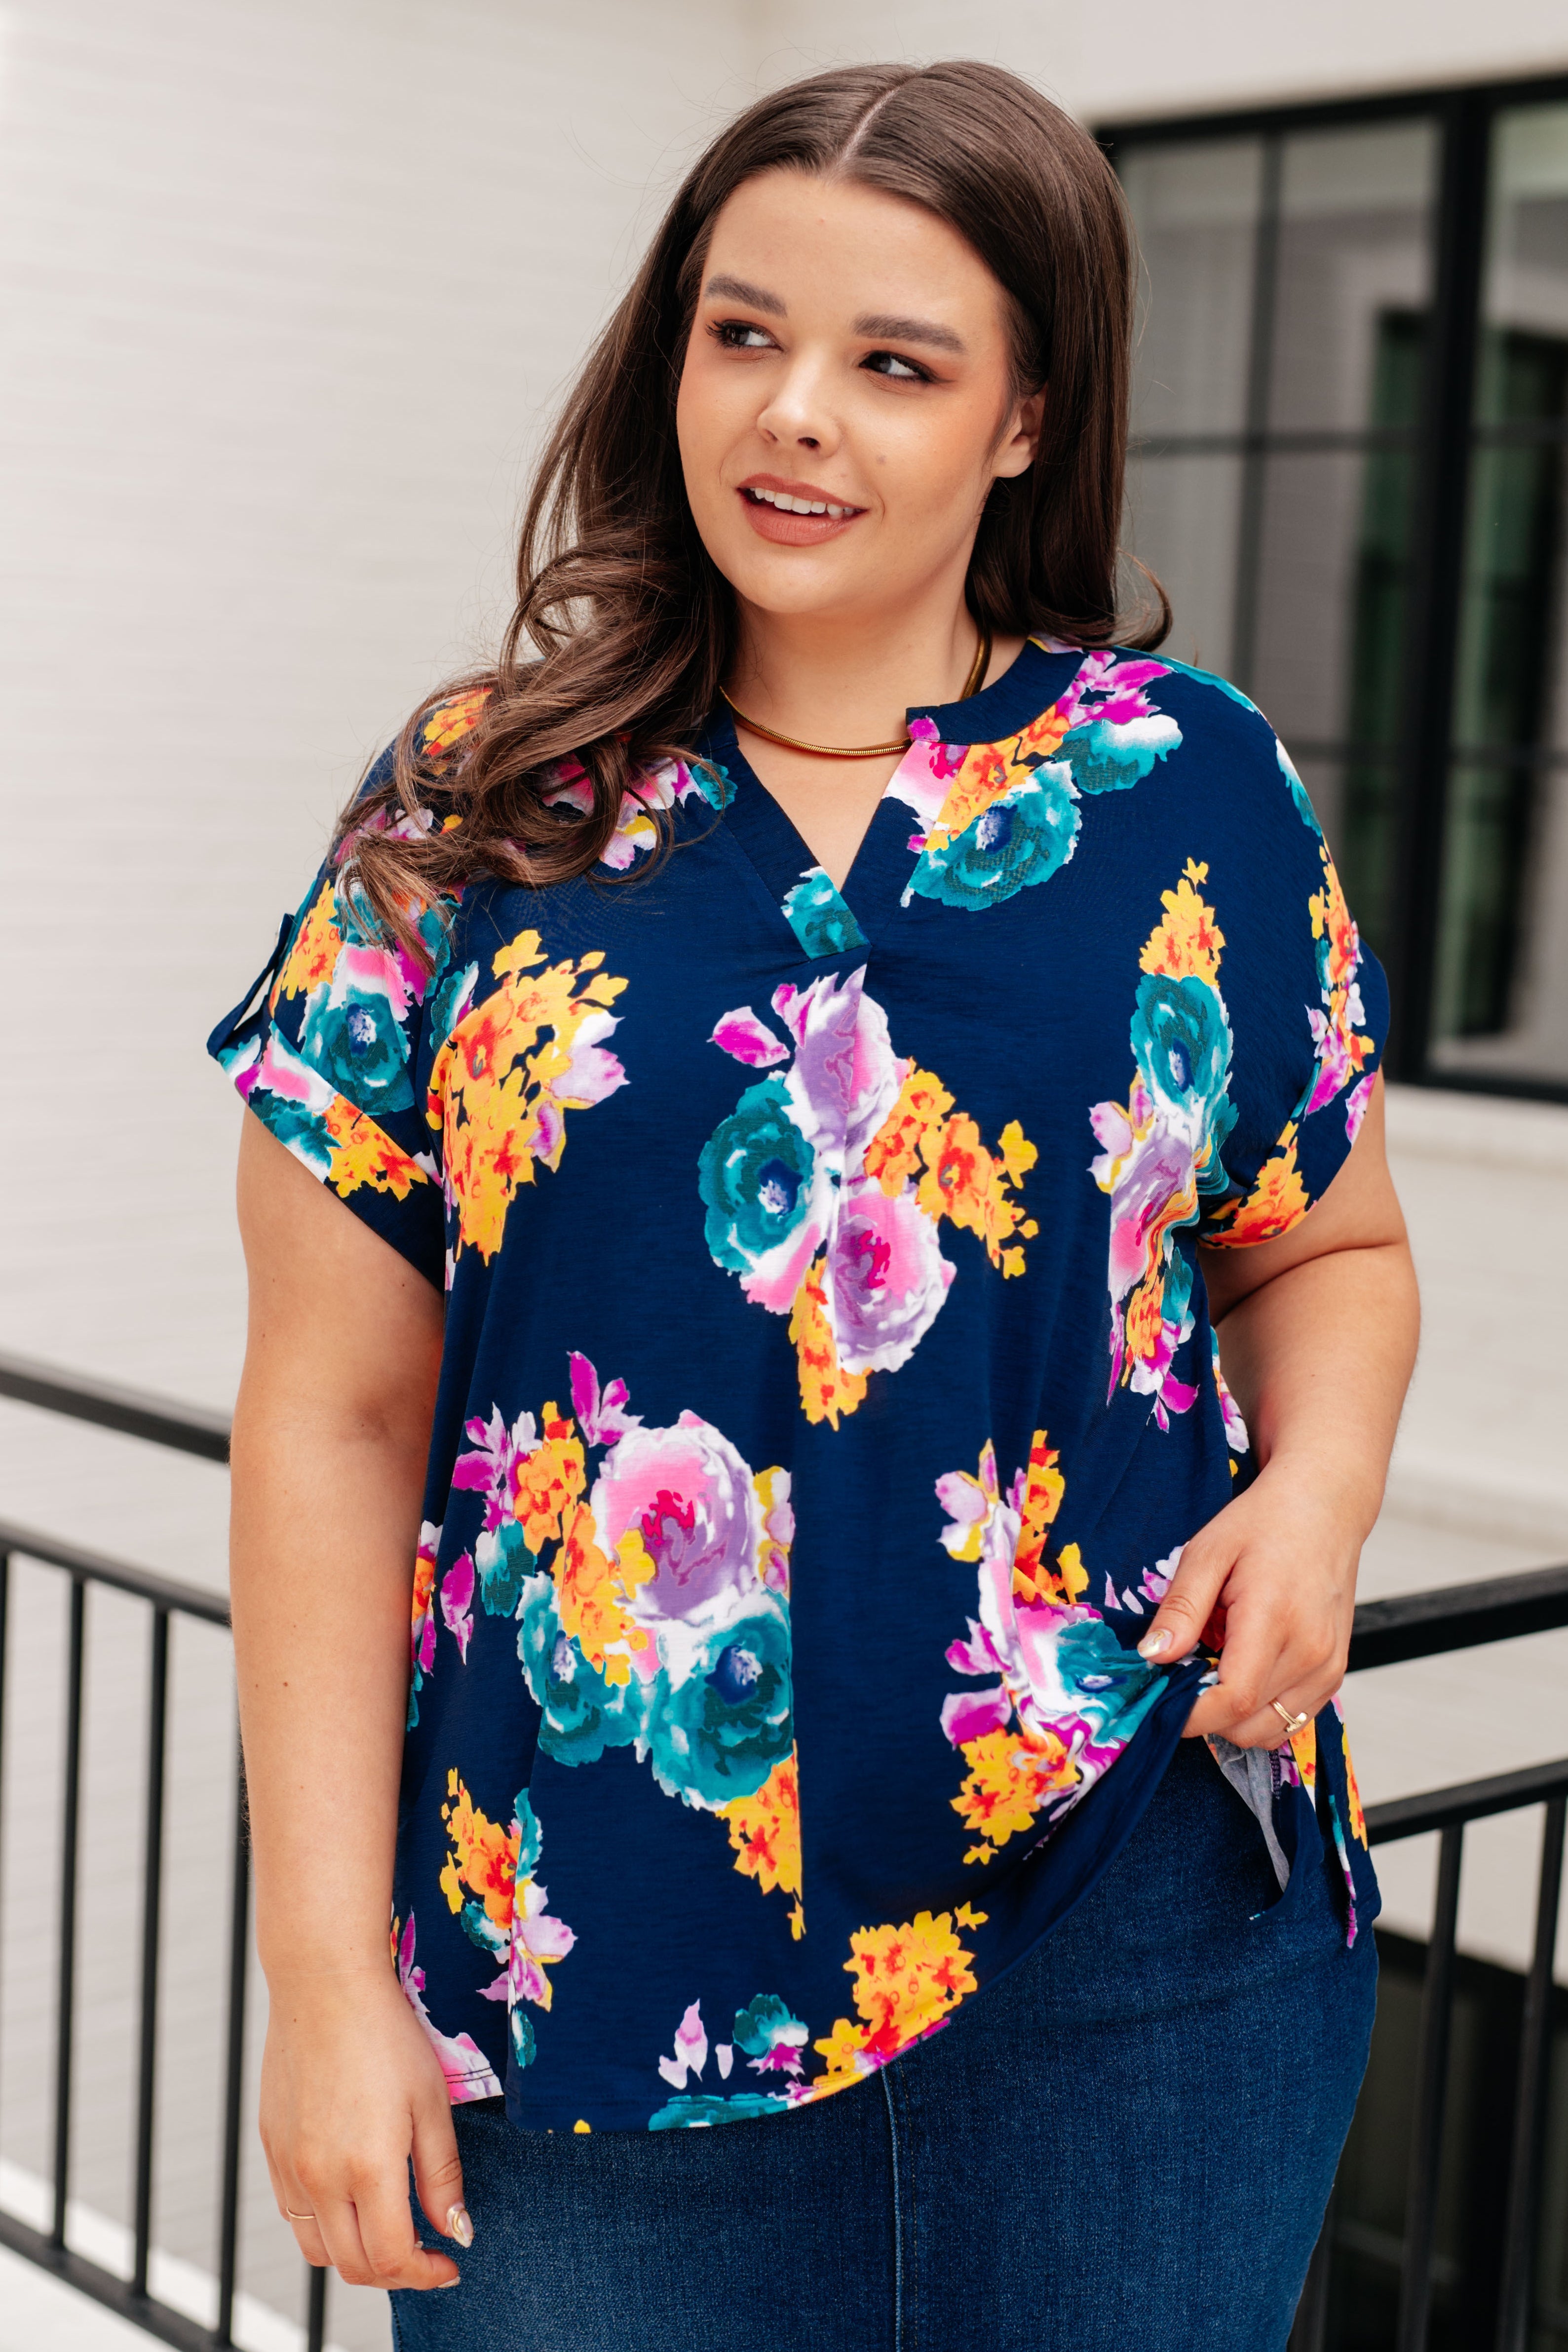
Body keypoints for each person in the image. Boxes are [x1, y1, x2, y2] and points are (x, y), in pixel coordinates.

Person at [211, 59, 1419, 2352]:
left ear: (1029, 417)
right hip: (586, 1982)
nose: (795, 415)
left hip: (1142, 1946)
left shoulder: (1195, 792)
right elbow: (332, 1414)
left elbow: (1326, 1244)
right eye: (744, 334)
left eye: (896, 363)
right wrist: (325, 1982)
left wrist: (1324, 1490)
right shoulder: (473, 813)